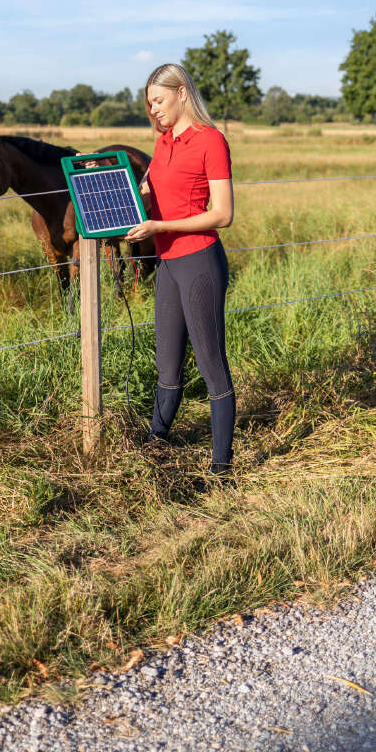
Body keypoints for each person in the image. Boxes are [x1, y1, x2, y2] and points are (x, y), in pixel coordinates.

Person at [125, 63, 235, 476]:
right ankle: (155, 446)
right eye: (149, 103)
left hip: (199, 261)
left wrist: (160, 227)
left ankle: (222, 469)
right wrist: (100, 176)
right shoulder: (163, 143)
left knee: (211, 366)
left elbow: (222, 214)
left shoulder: (211, 141)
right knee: (167, 366)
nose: (153, 110)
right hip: (167, 263)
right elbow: (148, 199)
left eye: (159, 100)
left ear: (182, 93)